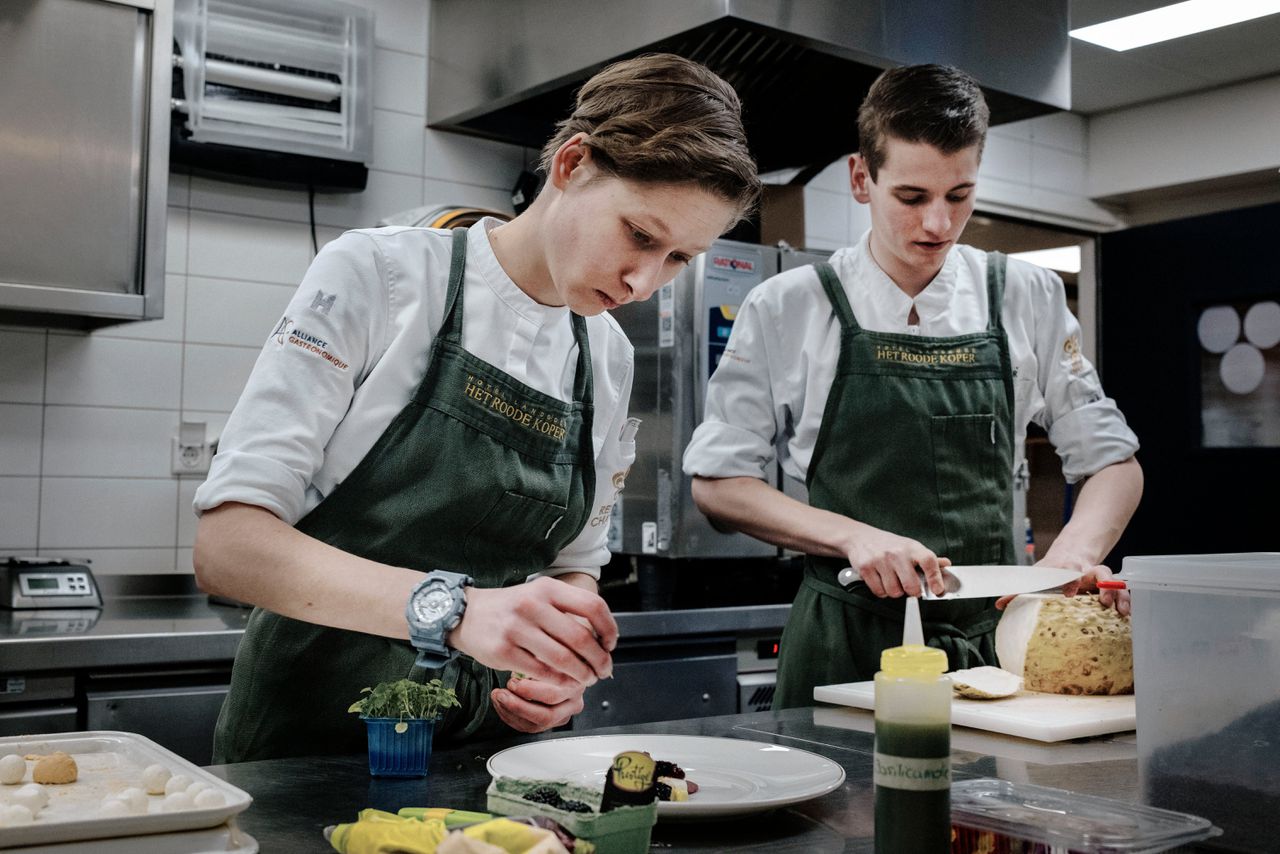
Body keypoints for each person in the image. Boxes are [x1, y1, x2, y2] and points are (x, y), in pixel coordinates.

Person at [193, 53, 761, 762]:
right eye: (640, 235)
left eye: (679, 258)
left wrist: (556, 665)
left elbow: (572, 569)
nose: (645, 281)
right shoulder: (383, 277)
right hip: (308, 753)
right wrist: (456, 611)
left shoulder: (607, 355)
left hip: (492, 765)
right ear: (572, 163)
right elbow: (228, 549)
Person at [682, 64, 1142, 709]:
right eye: (912, 197)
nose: (937, 224)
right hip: (845, 639)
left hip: (991, 643)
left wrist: (1065, 563)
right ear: (861, 179)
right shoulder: (790, 304)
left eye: (959, 196)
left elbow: (1113, 464)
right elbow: (719, 485)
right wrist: (853, 536)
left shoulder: (1025, 294)